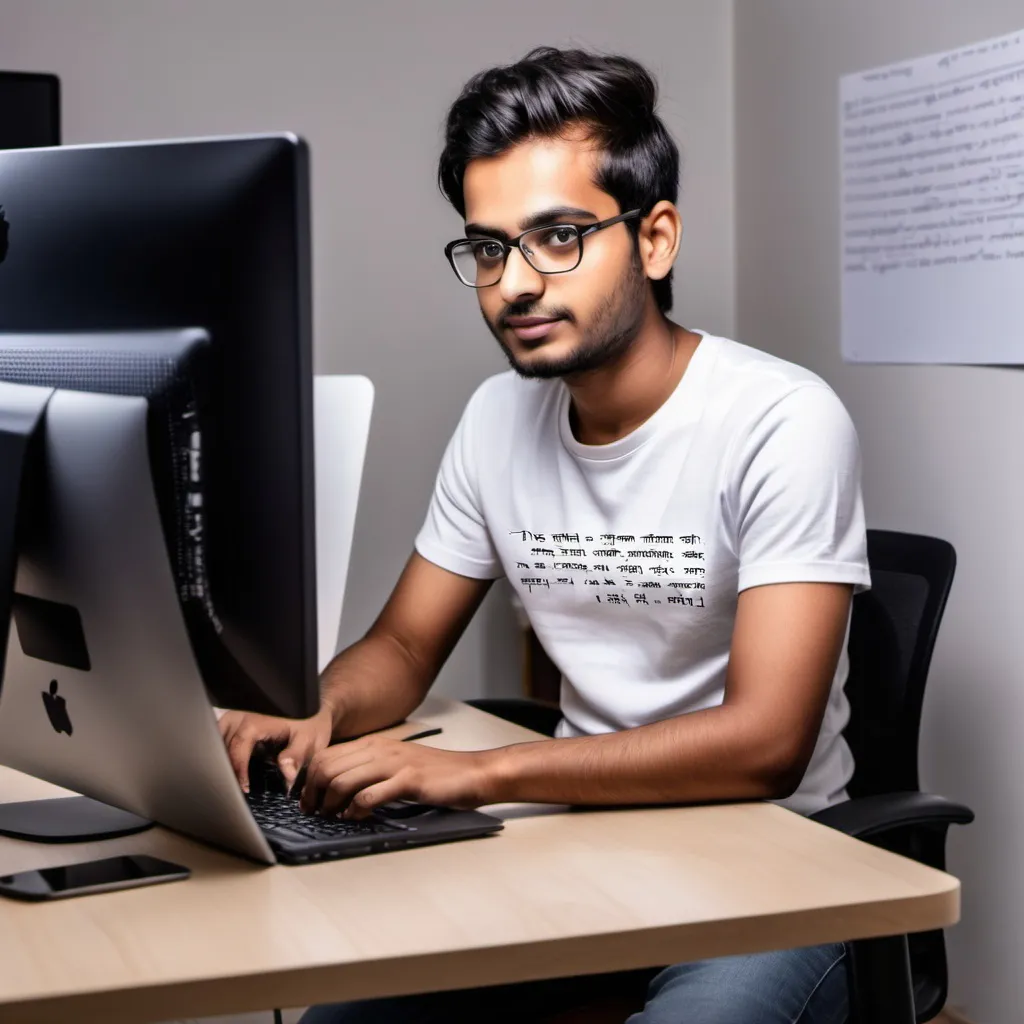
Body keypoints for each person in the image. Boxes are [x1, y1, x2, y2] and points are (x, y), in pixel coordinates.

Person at [219, 46, 868, 1024]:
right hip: (578, 843)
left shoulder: (780, 417)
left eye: (557, 236)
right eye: (488, 247)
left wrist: (482, 773)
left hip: (773, 870)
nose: (513, 283)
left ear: (654, 239)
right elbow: (399, 649)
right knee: (342, 1015)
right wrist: (314, 707)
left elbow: (765, 743)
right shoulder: (496, 418)